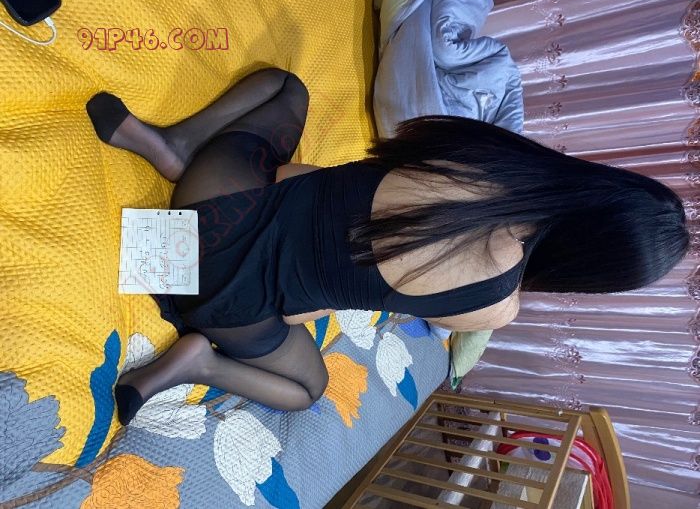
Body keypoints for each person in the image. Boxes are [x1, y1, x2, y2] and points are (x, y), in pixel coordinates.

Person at [86, 67, 690, 425]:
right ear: (589, 271)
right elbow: (351, 290)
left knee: (287, 88)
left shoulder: (489, 158)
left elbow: (301, 179)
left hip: (213, 200)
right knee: (307, 390)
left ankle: (174, 147)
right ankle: (198, 363)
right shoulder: (494, 308)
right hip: (224, 303)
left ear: (595, 185)